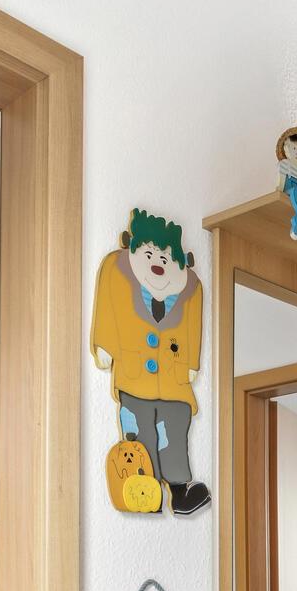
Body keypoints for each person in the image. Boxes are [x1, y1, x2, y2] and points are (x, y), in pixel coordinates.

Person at [90, 209, 211, 515]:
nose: (158, 262)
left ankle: (179, 491)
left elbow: (192, 327)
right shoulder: (117, 272)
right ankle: (147, 491)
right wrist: (105, 344)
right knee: (139, 434)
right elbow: (107, 308)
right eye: (149, 254)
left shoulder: (190, 288)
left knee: (175, 432)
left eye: (166, 257)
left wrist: (191, 363)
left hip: (174, 383)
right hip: (133, 378)